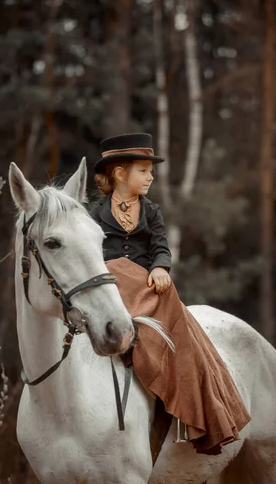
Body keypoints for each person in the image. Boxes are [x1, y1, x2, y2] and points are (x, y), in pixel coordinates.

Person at [90, 132, 250, 454]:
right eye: (143, 170)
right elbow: (88, 256)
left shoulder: (151, 211)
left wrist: (160, 267)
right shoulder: (92, 214)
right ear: (120, 173)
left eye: (151, 171)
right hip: (111, 290)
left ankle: (188, 410)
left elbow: (160, 247)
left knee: (182, 333)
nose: (151, 176)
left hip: (149, 286)